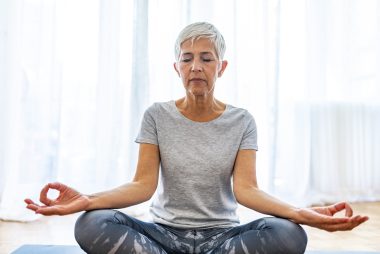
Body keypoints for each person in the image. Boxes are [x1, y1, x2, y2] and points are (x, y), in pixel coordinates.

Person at [25, 22, 368, 254]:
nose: (196, 67)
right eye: (187, 59)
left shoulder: (242, 120)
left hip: (222, 237)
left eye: (206, 59)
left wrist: (300, 213)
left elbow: (246, 190)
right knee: (92, 223)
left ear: (222, 67)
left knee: (289, 234)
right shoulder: (156, 115)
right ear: (177, 67)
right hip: (161, 234)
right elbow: (142, 185)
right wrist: (87, 199)